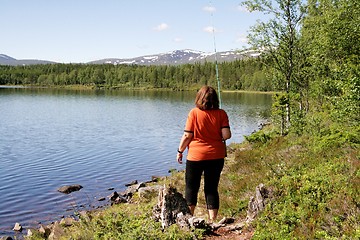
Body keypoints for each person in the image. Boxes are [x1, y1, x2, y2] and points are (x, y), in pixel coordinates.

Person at [177, 85, 231, 222]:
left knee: (191, 187)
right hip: (216, 156)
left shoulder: (194, 113)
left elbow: (187, 136)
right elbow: (227, 135)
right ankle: (212, 220)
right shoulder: (222, 113)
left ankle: (190, 218)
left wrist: (180, 151)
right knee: (211, 188)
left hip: (196, 156)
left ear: (199, 98)